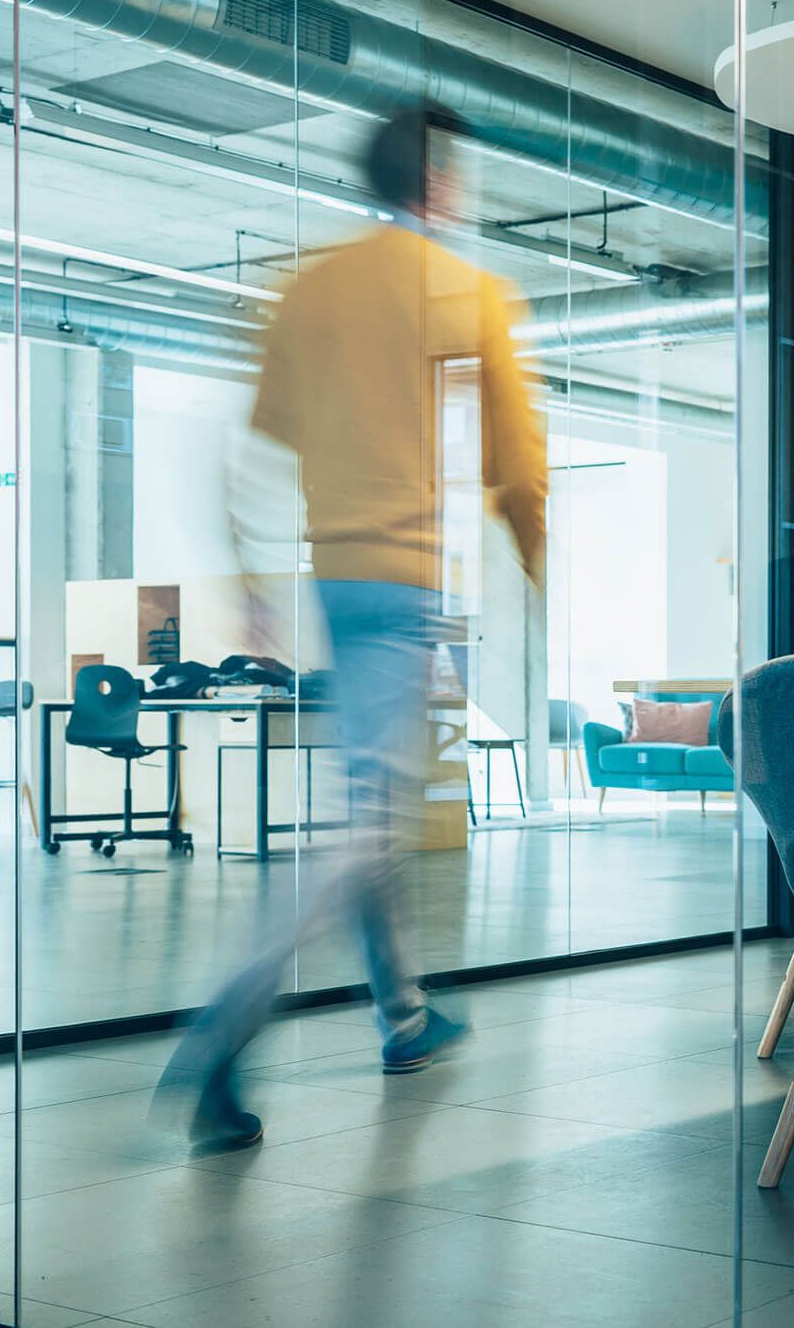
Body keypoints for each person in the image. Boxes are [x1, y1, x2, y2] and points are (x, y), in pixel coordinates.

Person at [158, 103, 548, 1151]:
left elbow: (248, 449)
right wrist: (533, 549)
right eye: (456, 179)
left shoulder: (309, 287)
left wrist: (250, 582)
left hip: (331, 581)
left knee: (372, 803)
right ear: (440, 186)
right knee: (359, 821)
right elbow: (515, 454)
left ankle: (406, 1016)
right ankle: (220, 1030)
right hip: (404, 586)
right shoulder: (463, 288)